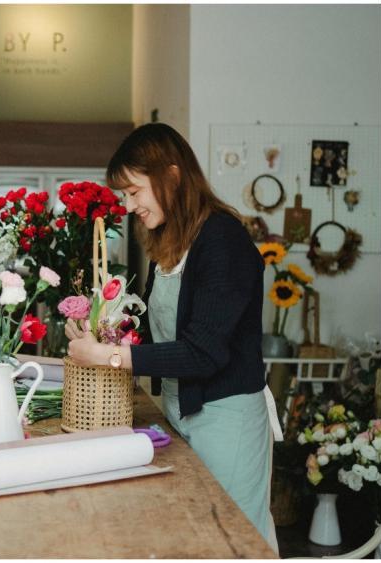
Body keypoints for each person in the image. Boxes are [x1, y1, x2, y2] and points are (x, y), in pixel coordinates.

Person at [66, 123, 279, 550]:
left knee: (234, 538)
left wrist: (109, 357)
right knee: (195, 534)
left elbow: (204, 353)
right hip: (182, 411)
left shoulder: (223, 241)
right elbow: (156, 326)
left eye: (134, 191)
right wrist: (105, 330)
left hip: (226, 418)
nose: (128, 207)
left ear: (172, 174)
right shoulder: (171, 242)